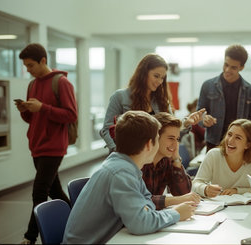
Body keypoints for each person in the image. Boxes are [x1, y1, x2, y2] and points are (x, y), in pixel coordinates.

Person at [63, 111, 196, 244]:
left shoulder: (127, 167)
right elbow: (140, 223)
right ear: (150, 144)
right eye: (156, 138)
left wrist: (145, 209)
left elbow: (147, 201)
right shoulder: (121, 173)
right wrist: (176, 213)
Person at [15, 43, 77, 245]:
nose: (28, 70)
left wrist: (42, 107)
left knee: (39, 191)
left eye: (31, 65)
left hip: (54, 146)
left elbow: (70, 115)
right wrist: (25, 109)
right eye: (26, 66)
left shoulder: (62, 82)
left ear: (43, 60)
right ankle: (79, 219)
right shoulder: (32, 85)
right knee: (54, 191)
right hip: (37, 145)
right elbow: (32, 119)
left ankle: (29, 237)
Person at [100, 53, 204, 152]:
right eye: (156, 76)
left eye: (162, 78)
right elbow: (106, 130)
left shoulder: (162, 101)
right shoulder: (120, 97)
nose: (159, 81)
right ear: (143, 73)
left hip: (155, 159)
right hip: (129, 158)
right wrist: (118, 151)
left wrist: (187, 122)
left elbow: (171, 130)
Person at [197, 44, 251, 152]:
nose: (227, 70)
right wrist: (204, 119)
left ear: (242, 67)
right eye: (226, 64)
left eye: (233, 67)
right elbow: (199, 114)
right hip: (214, 143)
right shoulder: (208, 86)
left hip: (239, 146)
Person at [192, 119, 251, 197]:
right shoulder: (213, 155)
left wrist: (238, 191)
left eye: (238, 138)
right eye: (229, 134)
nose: (230, 140)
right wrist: (205, 189)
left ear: (247, 145)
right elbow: (196, 183)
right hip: (220, 208)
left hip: (248, 208)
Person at [142, 112, 201, 210]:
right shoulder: (140, 161)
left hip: (153, 216)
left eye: (177, 139)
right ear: (155, 137)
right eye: (171, 138)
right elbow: (140, 201)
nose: (175, 144)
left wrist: (176, 159)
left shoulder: (166, 161)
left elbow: (183, 192)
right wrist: (176, 200)